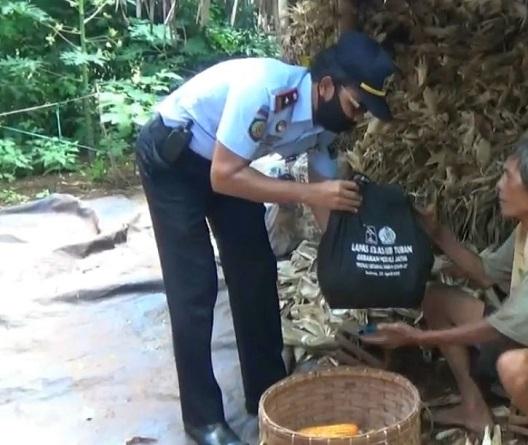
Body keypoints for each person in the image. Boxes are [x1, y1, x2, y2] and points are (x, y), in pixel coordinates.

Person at [134, 31, 396, 445]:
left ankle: (267, 390)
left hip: (231, 166)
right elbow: (224, 176)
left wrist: (345, 264)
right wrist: (310, 194)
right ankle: (202, 419)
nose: (358, 118)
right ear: (326, 86)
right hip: (176, 161)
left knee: (255, 272)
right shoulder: (268, 90)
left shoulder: (327, 121)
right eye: (356, 106)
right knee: (195, 288)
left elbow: (322, 192)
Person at [362, 137, 528, 445]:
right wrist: (437, 232)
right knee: (437, 299)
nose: (499, 185)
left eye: (508, 176)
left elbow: (504, 330)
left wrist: (418, 338)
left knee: (513, 367)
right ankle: (474, 408)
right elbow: (484, 273)